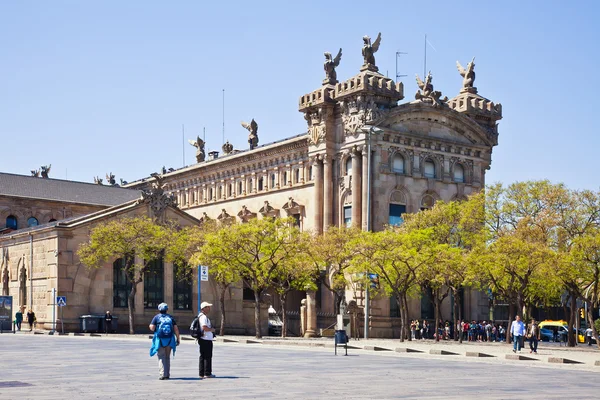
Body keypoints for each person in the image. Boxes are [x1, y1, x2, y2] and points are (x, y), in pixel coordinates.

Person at [149, 303, 180, 380]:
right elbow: (176, 329)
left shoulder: (156, 317)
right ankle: (167, 374)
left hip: (160, 339)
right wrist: (178, 338)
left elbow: (152, 328)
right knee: (167, 357)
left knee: (161, 356)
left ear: (159, 310)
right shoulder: (171, 318)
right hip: (170, 339)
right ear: (167, 309)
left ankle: (162, 374)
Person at [198, 301, 216, 379]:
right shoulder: (203, 317)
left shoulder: (202, 316)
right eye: (208, 307)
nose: (209, 308)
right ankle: (207, 373)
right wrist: (211, 330)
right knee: (207, 356)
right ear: (204, 308)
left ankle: (202, 373)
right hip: (205, 339)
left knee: (203, 356)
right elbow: (204, 327)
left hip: (204, 339)